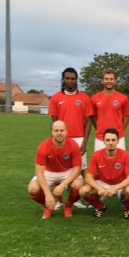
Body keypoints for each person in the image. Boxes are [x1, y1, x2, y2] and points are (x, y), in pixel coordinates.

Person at [48, 67, 93, 209]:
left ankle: (77, 199)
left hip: (79, 138)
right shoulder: (56, 98)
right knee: (59, 169)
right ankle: (60, 200)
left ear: (76, 80)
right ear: (63, 79)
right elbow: (54, 122)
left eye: (72, 78)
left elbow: (89, 122)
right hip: (62, 139)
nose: (70, 81)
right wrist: (57, 139)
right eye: (67, 78)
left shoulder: (84, 98)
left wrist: (85, 142)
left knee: (80, 170)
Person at [28, 120, 83, 219]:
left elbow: (77, 169)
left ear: (66, 131)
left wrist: (63, 185)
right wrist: (48, 194)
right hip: (49, 172)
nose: (59, 133)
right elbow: (39, 173)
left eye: (62, 130)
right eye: (56, 130)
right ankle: (48, 206)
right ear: (51, 132)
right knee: (33, 188)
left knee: (79, 184)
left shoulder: (73, 145)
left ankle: (68, 206)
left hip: (67, 171)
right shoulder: (44, 146)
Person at [79, 128, 129, 220]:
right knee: (84, 190)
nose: (110, 143)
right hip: (103, 183)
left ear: (118, 141)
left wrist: (115, 189)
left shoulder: (125, 155)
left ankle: (127, 209)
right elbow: (88, 177)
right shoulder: (97, 155)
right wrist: (99, 188)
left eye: (113, 140)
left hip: (119, 184)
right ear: (104, 141)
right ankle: (100, 207)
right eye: (108, 140)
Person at [91, 69, 129, 151]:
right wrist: (100, 128)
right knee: (100, 162)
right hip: (100, 137)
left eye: (111, 79)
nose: (109, 81)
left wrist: (120, 130)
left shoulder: (123, 98)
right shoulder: (94, 98)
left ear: (115, 81)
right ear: (102, 81)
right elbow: (93, 118)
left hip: (118, 137)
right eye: (106, 79)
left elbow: (126, 117)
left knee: (119, 162)